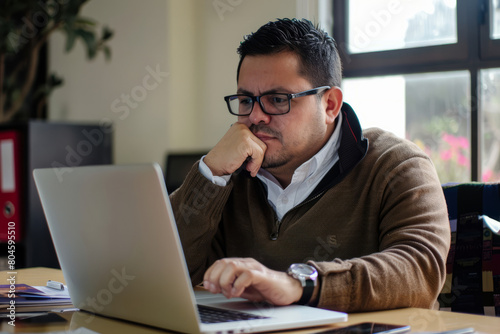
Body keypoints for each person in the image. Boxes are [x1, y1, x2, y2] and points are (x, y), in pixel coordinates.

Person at [170, 18, 451, 312]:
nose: (256, 117)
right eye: (245, 100)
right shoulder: (229, 175)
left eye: (277, 100)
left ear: (329, 104)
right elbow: (166, 272)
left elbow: (420, 272)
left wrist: (296, 284)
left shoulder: (396, 165)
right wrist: (210, 172)